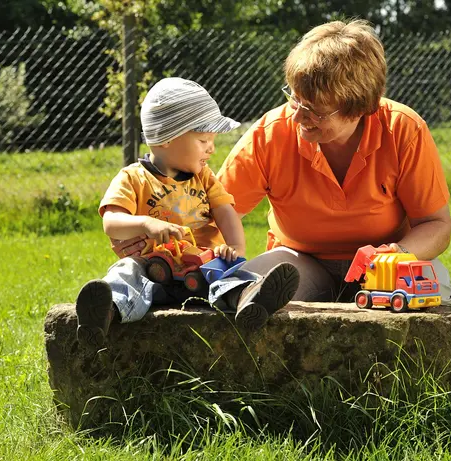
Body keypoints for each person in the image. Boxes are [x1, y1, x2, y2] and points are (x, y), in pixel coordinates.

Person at [115, 19, 451, 306]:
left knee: (432, 285)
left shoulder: (403, 130)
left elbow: (436, 224)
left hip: (383, 265)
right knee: (251, 286)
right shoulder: (270, 134)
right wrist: (155, 242)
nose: (298, 115)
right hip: (298, 260)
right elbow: (209, 214)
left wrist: (396, 252)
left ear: (360, 108)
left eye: (316, 110)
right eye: (294, 97)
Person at [75, 77, 299, 350]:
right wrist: (146, 224)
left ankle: (250, 300)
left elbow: (225, 212)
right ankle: (104, 313)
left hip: (204, 265)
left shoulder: (204, 178)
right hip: (154, 269)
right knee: (126, 271)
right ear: (168, 138)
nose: (211, 148)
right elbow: (111, 223)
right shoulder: (132, 178)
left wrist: (235, 250)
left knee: (230, 277)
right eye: (203, 139)